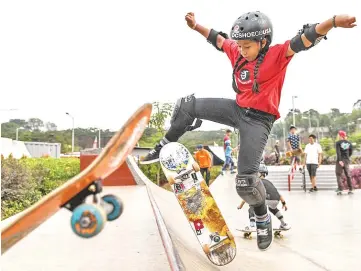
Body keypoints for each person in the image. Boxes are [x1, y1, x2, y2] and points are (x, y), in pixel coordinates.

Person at [140, 11, 356, 250]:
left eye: (247, 46)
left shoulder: (277, 54)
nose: (241, 50)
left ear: (263, 43)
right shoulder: (237, 52)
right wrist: (195, 26)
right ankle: (163, 145)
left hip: (259, 121)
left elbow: (305, 38)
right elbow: (218, 39)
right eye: (240, 46)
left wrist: (334, 22)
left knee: (245, 183)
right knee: (186, 106)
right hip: (237, 109)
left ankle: (262, 216)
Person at [237, 166, 291, 231]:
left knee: (253, 205)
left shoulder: (257, 182)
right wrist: (284, 204)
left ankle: (252, 225)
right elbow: (279, 194)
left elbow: (250, 194)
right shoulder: (269, 182)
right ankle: (284, 224)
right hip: (276, 199)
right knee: (273, 209)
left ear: (259, 174)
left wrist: (240, 205)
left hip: (267, 198)